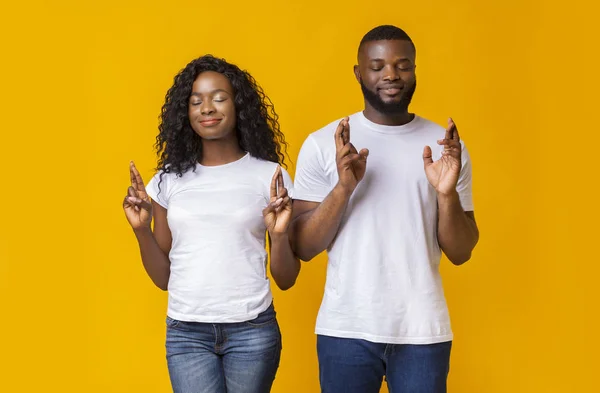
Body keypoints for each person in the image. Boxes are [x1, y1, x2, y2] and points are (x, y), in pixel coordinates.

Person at [290, 25, 480, 393]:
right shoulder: (322, 144)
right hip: (345, 329)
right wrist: (344, 188)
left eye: (402, 65)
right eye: (377, 66)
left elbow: (461, 251)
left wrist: (445, 194)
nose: (391, 75)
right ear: (359, 73)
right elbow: (302, 247)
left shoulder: (444, 147)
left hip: (422, 331)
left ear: (414, 71)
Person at [122, 54, 300, 393]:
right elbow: (163, 279)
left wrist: (278, 236)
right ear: (185, 112)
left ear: (239, 106)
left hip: (252, 330)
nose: (207, 108)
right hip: (187, 332)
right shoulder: (167, 182)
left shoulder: (269, 176)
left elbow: (287, 278)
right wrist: (141, 230)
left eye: (219, 98)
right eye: (196, 101)